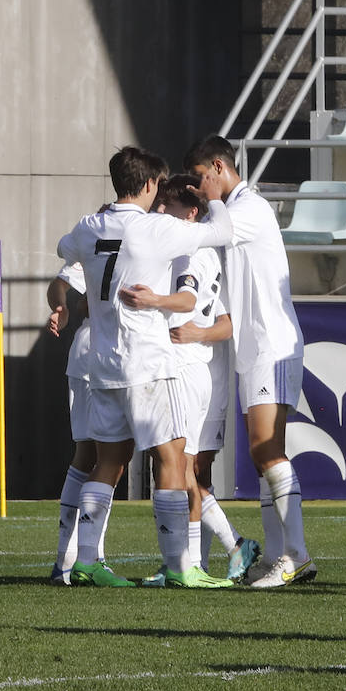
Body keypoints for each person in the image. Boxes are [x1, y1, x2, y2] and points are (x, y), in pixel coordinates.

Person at [56, 146, 237, 589]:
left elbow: (64, 249)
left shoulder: (89, 227)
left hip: (103, 365)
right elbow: (225, 231)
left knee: (108, 461)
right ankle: (180, 566)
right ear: (151, 184)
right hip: (150, 365)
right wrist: (212, 195)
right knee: (172, 459)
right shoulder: (157, 229)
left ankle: (85, 560)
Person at [185, 136, 315, 587]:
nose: (200, 191)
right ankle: (277, 554)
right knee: (262, 456)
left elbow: (214, 230)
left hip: (271, 344)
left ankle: (295, 554)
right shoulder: (233, 208)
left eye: (201, 179)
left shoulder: (248, 208)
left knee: (266, 449)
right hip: (254, 348)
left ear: (219, 167)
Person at [130, 175, 261, 586]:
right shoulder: (201, 253)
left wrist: (160, 307)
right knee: (190, 472)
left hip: (186, 370)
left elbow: (192, 305)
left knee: (179, 470)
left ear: (189, 213)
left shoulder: (187, 255)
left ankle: (230, 546)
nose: (158, 214)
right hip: (199, 370)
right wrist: (200, 332)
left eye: (165, 208)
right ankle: (189, 563)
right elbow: (223, 321)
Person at [46, 264, 128, 586]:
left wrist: (59, 307)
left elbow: (59, 285)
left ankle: (65, 563)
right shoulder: (127, 234)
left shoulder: (91, 233)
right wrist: (64, 306)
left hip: (87, 351)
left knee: (88, 457)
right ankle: (88, 559)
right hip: (107, 354)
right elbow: (68, 292)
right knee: (109, 460)